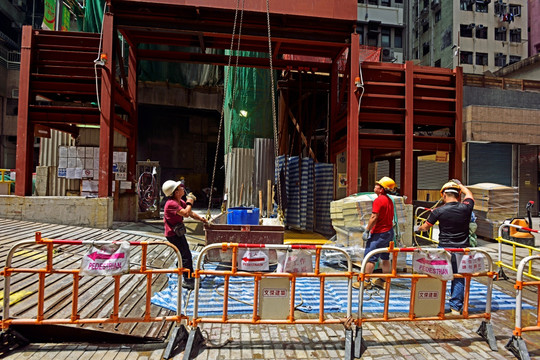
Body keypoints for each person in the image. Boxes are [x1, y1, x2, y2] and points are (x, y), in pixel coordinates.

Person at [415, 179, 474, 315]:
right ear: (458, 195)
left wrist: (418, 227)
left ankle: (437, 304)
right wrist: (461, 186)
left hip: (444, 249)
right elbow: (470, 195)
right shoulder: (466, 208)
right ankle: (455, 307)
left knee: (440, 274)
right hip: (461, 249)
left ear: (444, 195)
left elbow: (426, 227)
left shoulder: (438, 211)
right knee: (458, 276)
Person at [162, 180, 208, 290]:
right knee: (186, 255)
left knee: (184, 252)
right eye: (180, 187)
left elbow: (191, 213)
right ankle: (188, 280)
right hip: (173, 234)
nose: (183, 188)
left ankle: (181, 267)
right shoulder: (171, 204)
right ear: (176, 192)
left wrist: (201, 219)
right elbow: (186, 213)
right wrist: (190, 202)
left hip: (177, 232)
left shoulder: (178, 201)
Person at [353, 176, 396, 290]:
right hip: (388, 232)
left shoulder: (378, 200)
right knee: (385, 257)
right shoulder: (389, 200)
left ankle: (365, 281)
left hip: (379, 233)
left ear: (382, 189)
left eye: (378, 185)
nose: (375, 186)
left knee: (370, 257)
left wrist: (367, 230)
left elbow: (374, 217)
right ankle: (384, 281)